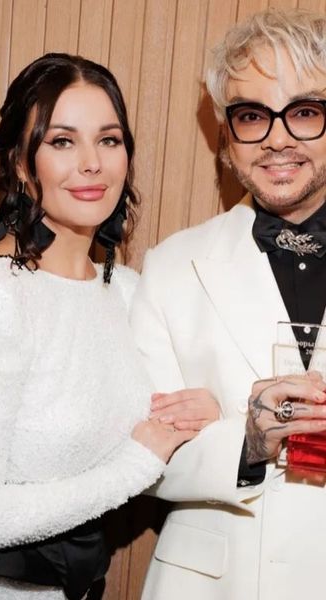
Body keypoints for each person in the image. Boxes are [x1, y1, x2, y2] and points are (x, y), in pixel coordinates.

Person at [0, 53, 218, 600]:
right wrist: (135, 465)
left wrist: (207, 414)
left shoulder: (128, 292)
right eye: (62, 141)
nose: (92, 164)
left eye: (109, 140)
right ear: (21, 163)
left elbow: (161, 435)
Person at [131, 8, 326, 600]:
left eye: (305, 111)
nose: (277, 138)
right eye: (251, 115)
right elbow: (139, 455)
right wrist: (247, 439)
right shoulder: (172, 265)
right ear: (226, 133)